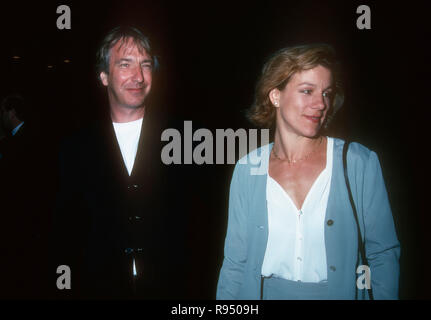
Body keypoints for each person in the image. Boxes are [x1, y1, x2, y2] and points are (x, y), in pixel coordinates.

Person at [216, 44, 400, 300]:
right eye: (307, 91)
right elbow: (235, 264)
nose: (321, 104)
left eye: (326, 93)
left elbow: (383, 255)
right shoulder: (248, 169)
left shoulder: (358, 162)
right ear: (275, 96)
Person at [54, 26, 187, 299]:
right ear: (104, 76)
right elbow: (63, 233)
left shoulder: (185, 140)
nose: (138, 77)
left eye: (145, 65)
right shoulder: (74, 149)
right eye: (125, 64)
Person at [0, 94, 51, 298]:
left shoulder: (21, 143)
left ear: (12, 112)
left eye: (2, 111)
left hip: (24, 220)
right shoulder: (29, 137)